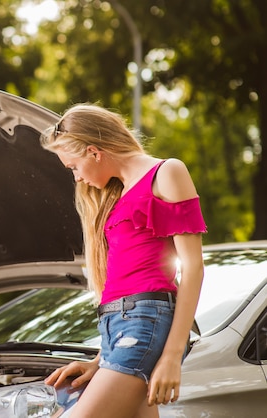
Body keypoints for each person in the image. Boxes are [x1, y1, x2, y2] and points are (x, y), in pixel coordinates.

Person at [40, 104, 207, 417]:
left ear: (94, 152)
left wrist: (172, 355)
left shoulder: (166, 172)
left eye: (73, 166)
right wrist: (99, 361)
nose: (77, 178)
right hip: (117, 328)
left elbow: (193, 268)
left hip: (145, 322)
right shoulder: (116, 196)